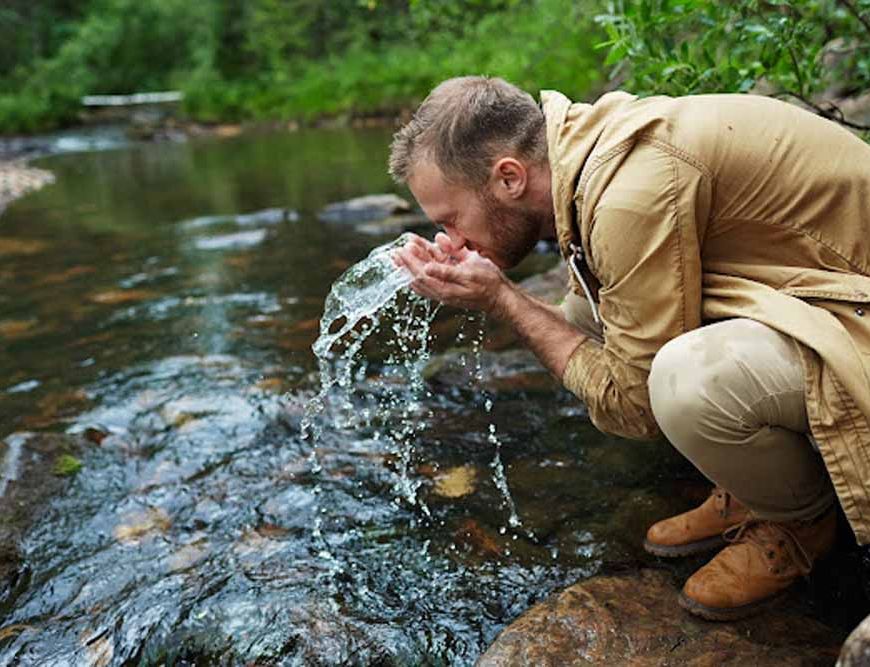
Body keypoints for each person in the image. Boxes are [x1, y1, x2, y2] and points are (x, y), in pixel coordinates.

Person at [390, 75, 870, 621]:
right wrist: (500, 296)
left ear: (508, 177)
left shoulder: (629, 193)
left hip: (855, 310)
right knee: (587, 320)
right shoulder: (587, 157)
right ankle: (752, 483)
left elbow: (638, 405)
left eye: (449, 220)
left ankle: (799, 522)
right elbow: (587, 331)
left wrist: (503, 300)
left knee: (684, 383)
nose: (450, 241)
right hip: (816, 292)